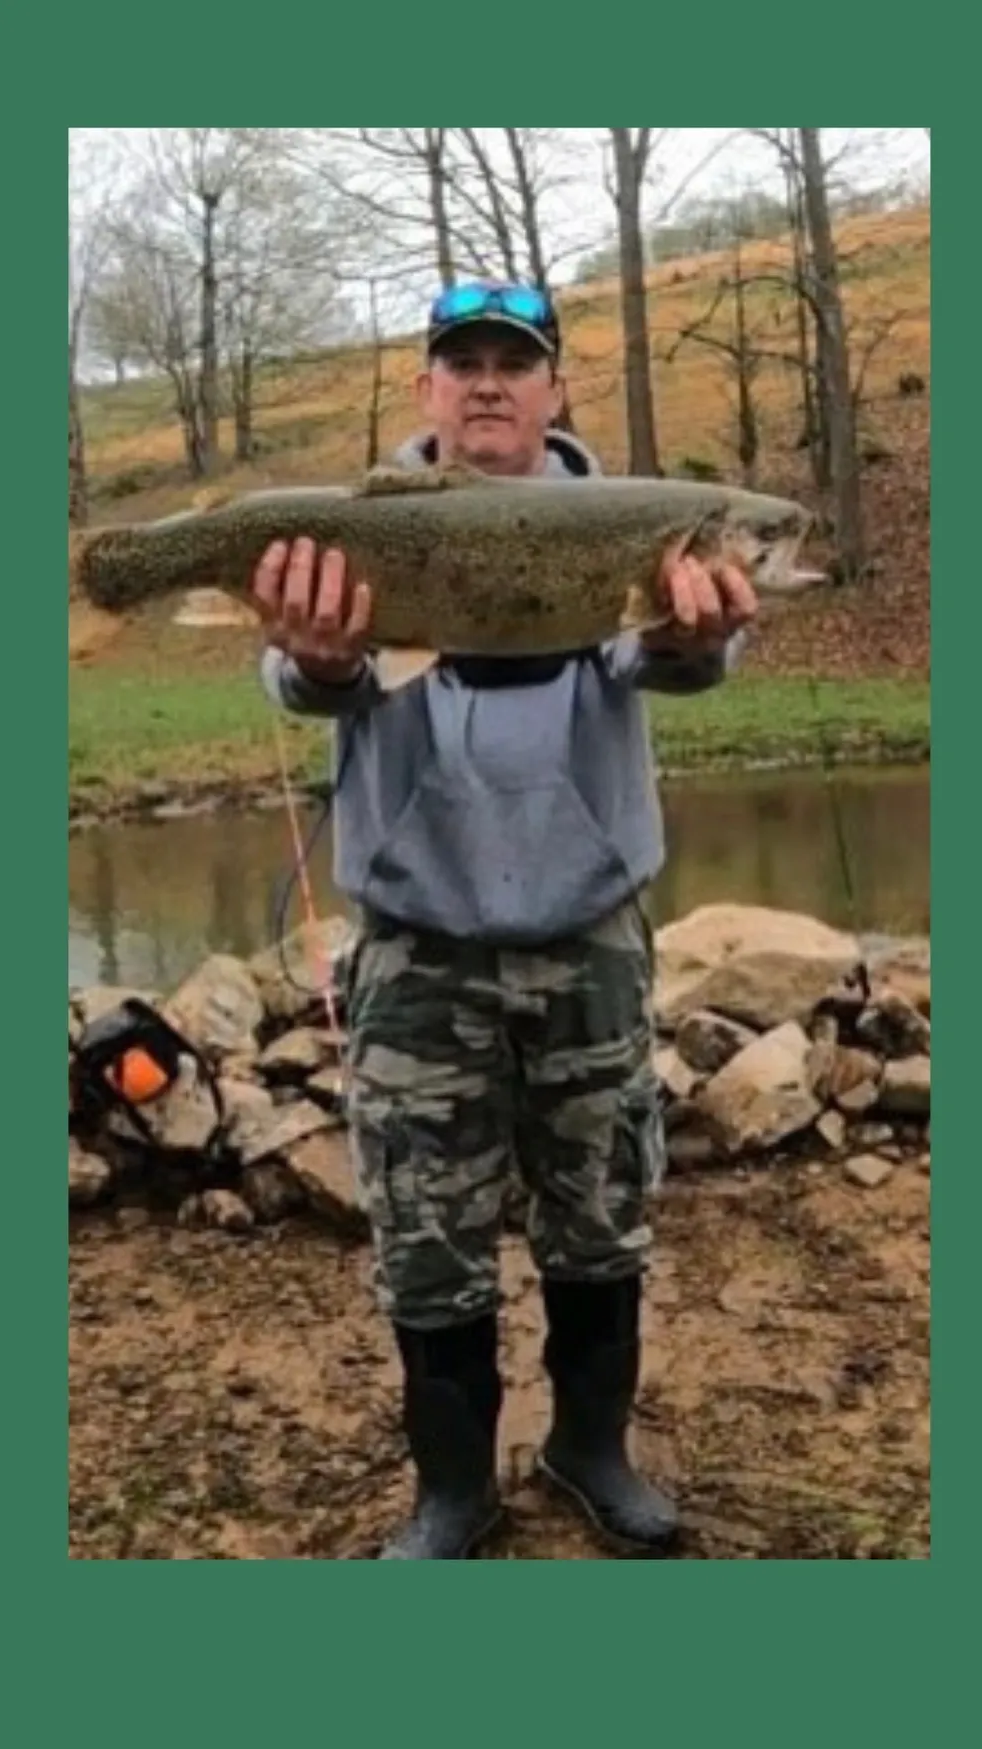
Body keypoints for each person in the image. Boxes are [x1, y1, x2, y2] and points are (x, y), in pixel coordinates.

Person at [254, 280, 759, 1560]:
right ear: (427, 389)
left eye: (513, 362)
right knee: (426, 1233)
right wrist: (314, 655)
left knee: (601, 1215)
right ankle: (452, 1491)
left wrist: (706, 634)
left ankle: (592, 1449)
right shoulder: (363, 524)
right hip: (415, 944)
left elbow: (678, 661)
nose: (487, 381)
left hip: (588, 934)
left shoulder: (632, 527)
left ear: (554, 389)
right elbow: (308, 681)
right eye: (461, 361)